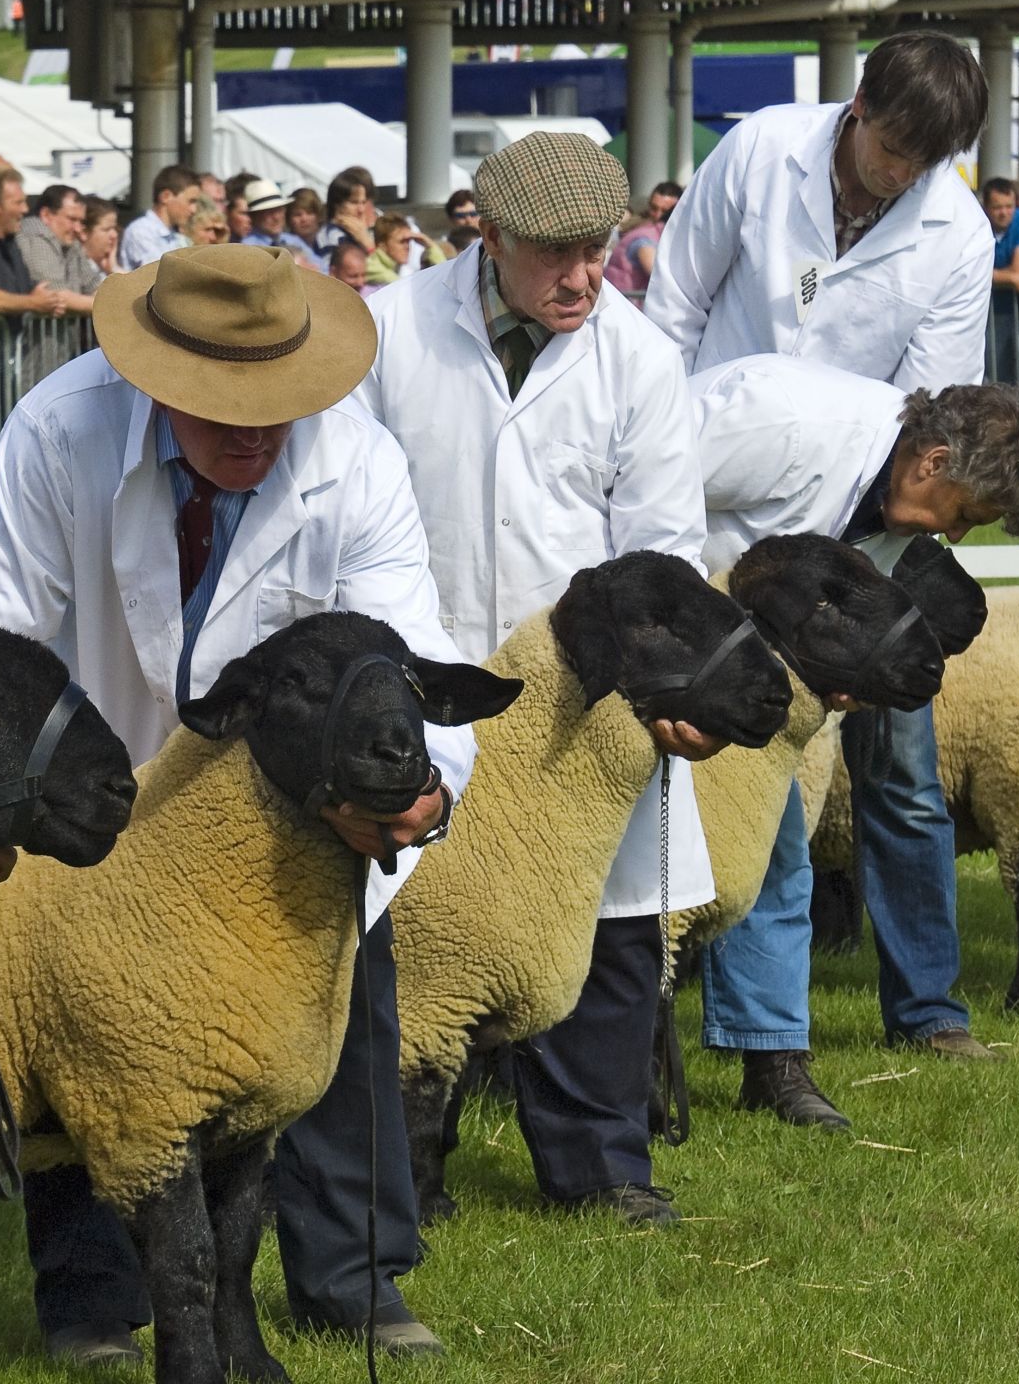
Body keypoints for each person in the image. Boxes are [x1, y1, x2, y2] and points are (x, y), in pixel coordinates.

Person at [0, 242, 471, 1364]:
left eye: (273, 404)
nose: (253, 428)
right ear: (154, 379)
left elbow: (411, 659)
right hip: (100, 796)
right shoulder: (55, 432)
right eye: (220, 406)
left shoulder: (358, 464)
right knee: (87, 1032)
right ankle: (92, 1303)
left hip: (298, 821)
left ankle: (357, 1278)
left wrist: (414, 800)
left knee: (331, 1020)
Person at [347, 133, 716, 1233]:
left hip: (577, 700)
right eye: (555, 253)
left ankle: (601, 1164)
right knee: (411, 925)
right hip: (423, 670)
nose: (582, 277)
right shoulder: (389, 331)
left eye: (597, 251)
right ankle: (405, 1165)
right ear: (487, 235)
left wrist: (658, 689)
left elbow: (662, 546)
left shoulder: (638, 359)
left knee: (599, 921)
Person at [693, 358, 1019, 1122]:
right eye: (964, 513)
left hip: (738, 677)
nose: (954, 535)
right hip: (662, 641)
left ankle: (774, 1061)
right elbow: (645, 491)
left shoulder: (889, 505)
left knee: (776, 846)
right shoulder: (785, 423)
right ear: (934, 461)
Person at [647, 30, 993, 394]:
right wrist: (669, 418)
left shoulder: (964, 239)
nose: (900, 175)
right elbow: (678, 295)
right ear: (861, 102)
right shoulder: (761, 144)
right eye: (891, 149)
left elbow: (934, 400)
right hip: (709, 424)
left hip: (852, 449)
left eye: (925, 163)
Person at [0, 168, 87, 318]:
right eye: (19, 202)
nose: (25, 209)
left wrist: (43, 298)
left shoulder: (10, 242)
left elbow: (28, 288)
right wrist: (33, 303)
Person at [979, 178, 1019, 407]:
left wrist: (991, 274)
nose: (1004, 212)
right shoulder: (975, 222)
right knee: (992, 372)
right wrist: (1012, 278)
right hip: (986, 313)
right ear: (985, 207)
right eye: (997, 207)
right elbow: (967, 270)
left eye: (1009, 206)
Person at [16, 182, 106, 299]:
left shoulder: (70, 241)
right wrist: (106, 309)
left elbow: (93, 286)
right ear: (46, 215)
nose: (78, 228)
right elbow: (56, 294)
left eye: (80, 221)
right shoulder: (35, 235)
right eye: (72, 219)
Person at [601, 180, 680, 295]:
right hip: (626, 304)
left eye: (665, 211)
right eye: (654, 208)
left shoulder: (643, 228)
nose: (658, 215)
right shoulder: (644, 237)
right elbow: (660, 277)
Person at [119, 164, 201, 271]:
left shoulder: (174, 234)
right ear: (166, 196)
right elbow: (161, 274)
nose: (194, 209)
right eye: (190, 201)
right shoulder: (141, 231)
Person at [322, 166, 378, 254]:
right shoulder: (333, 238)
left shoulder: (357, 235)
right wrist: (369, 246)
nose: (361, 210)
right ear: (337, 204)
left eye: (363, 202)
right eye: (354, 202)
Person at [80, 197, 122, 278]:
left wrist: (114, 268)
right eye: (107, 229)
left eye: (114, 228)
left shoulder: (104, 268)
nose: (114, 235)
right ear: (84, 232)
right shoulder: (76, 269)